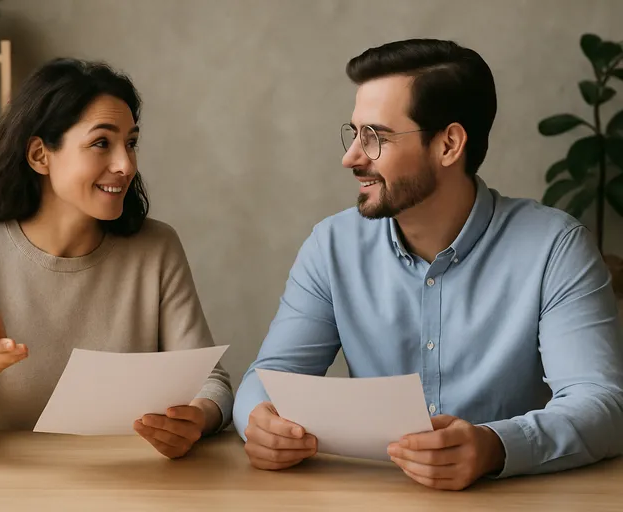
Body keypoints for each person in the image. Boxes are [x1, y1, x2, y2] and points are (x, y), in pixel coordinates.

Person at [233, 38, 623, 490]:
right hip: (374, 496)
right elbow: (268, 377)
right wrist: (257, 420)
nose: (351, 157)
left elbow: (603, 405)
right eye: (354, 133)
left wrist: (495, 445)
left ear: (449, 145)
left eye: (375, 137)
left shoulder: (556, 248)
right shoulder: (331, 245)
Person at [0, 58, 233, 457]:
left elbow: (213, 384)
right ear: (40, 155)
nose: (126, 165)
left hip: (131, 488)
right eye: (102, 143)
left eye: (131, 143)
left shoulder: (156, 247)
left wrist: (197, 418)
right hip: (9, 494)